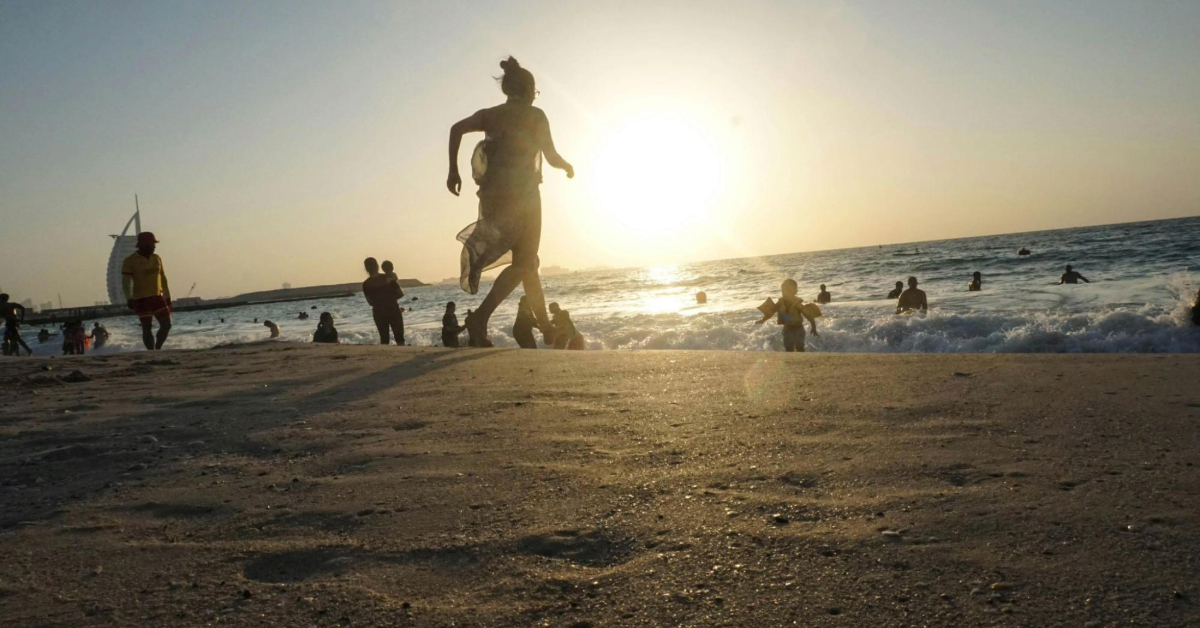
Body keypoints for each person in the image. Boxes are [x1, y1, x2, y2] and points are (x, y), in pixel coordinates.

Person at [447, 56, 574, 347]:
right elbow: (551, 156)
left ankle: (545, 327)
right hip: (525, 197)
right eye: (535, 91)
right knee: (526, 262)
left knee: (528, 263)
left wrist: (453, 171)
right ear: (529, 89)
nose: (534, 95)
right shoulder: (535, 116)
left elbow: (455, 129)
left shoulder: (489, 114)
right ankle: (480, 318)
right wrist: (568, 167)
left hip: (494, 197)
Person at [122, 231, 172, 350]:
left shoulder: (157, 258)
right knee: (146, 327)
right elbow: (125, 282)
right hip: (141, 299)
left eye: (154, 244)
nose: (154, 247)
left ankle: (158, 347)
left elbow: (163, 278)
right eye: (151, 244)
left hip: (157, 297)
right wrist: (128, 298)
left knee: (166, 325)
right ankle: (151, 351)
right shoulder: (130, 261)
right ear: (143, 245)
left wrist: (167, 295)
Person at [756, 279, 819, 352]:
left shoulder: (797, 303)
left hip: (799, 328)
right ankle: (790, 361)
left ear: (794, 292)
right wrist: (762, 320)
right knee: (788, 348)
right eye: (782, 290)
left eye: (785, 290)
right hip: (787, 329)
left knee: (800, 347)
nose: (782, 293)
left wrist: (813, 327)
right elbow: (771, 312)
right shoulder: (780, 303)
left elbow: (808, 315)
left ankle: (801, 361)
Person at [362, 257, 405, 345]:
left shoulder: (366, 284)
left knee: (384, 339)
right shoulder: (388, 277)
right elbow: (400, 293)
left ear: (366, 269)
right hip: (393, 309)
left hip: (378, 312)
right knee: (399, 337)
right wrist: (390, 299)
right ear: (377, 266)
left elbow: (370, 302)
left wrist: (380, 301)